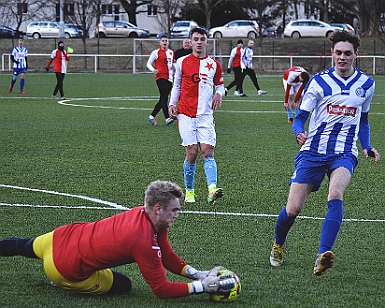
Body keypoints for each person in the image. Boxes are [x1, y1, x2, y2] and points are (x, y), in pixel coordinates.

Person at [0, 180, 237, 298]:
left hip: (61, 237)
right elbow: (161, 290)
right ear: (157, 208)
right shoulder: (142, 240)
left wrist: (196, 273)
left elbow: (166, 253)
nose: (177, 213)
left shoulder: (145, 215)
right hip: (63, 269)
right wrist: (200, 287)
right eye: (174, 209)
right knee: (124, 285)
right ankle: (61, 282)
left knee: (23, 245)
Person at [269, 31, 380, 276]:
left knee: (336, 193)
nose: (342, 57)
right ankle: (278, 244)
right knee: (293, 209)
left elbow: (363, 121)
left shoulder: (366, 85)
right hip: (313, 150)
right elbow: (300, 117)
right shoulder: (318, 82)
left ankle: (323, 254)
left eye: (347, 53)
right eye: (338, 53)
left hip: (344, 152)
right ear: (332, 53)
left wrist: (367, 145)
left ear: (356, 55)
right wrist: (298, 132)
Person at [169, 27, 224, 204]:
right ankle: (190, 191)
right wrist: (172, 103)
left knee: (207, 151)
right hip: (185, 113)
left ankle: (212, 189)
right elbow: (176, 85)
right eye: (196, 39)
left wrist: (219, 93)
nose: (199, 42)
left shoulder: (214, 64)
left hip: (206, 115)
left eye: (202, 39)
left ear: (207, 42)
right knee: (192, 153)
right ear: (190, 42)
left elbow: (221, 86)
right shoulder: (182, 62)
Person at [147, 36, 175, 126]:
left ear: (168, 42)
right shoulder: (156, 52)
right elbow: (149, 63)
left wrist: (176, 68)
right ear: (160, 43)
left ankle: (152, 116)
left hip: (170, 78)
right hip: (160, 77)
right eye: (163, 41)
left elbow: (173, 64)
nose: (164, 42)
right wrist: (153, 70)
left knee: (163, 98)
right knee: (164, 97)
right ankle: (167, 118)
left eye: (166, 41)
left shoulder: (171, 53)